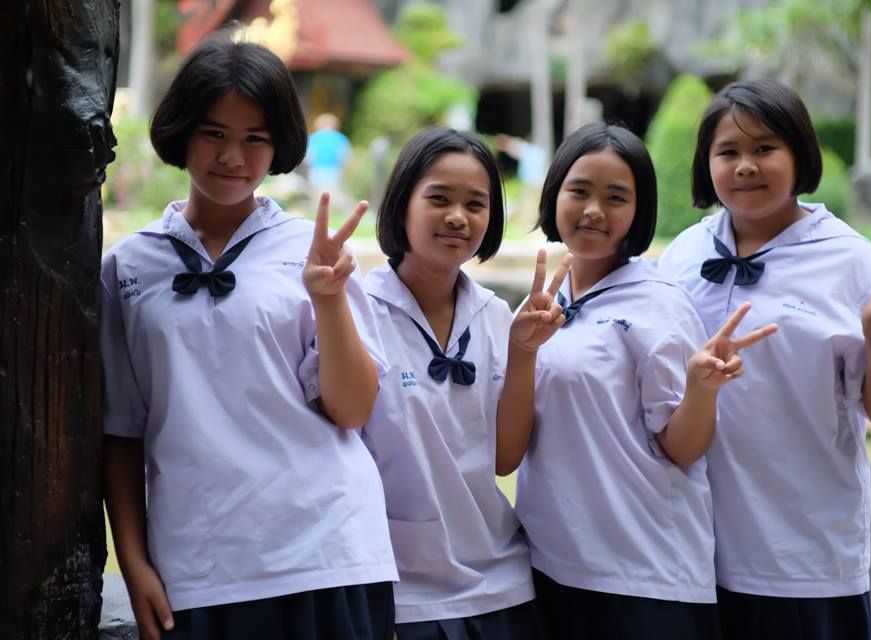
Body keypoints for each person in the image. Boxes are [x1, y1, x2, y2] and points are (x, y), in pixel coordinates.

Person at [101, 37, 397, 640]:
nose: (232, 156)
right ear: (182, 131)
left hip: (327, 550)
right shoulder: (129, 267)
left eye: (255, 138)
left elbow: (353, 409)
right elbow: (121, 432)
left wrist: (329, 298)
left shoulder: (311, 251)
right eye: (213, 133)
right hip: (200, 565)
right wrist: (133, 562)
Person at [657, 79, 871, 640]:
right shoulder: (683, 256)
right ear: (706, 164)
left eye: (765, 147)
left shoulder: (850, 261)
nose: (746, 165)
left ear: (799, 154)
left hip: (805, 562)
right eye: (728, 151)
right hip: (690, 556)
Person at [497, 122, 777, 639]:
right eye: (579, 191)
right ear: (554, 193)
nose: (593, 210)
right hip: (552, 566)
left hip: (645, 578)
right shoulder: (542, 306)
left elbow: (682, 448)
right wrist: (521, 351)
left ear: (639, 210)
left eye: (616, 197)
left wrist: (701, 390)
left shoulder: (658, 303)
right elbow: (507, 453)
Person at [361, 128, 559, 639]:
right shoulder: (357, 312)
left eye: (476, 204)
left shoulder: (494, 316)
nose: (458, 217)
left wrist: (523, 352)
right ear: (402, 203)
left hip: (500, 583)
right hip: (399, 591)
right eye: (439, 199)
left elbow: (504, 458)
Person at [306, 112, 352, 192]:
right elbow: (345, 156)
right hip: (334, 170)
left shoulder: (314, 138)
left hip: (317, 170)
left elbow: (308, 156)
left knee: (316, 193)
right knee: (331, 194)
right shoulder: (340, 138)